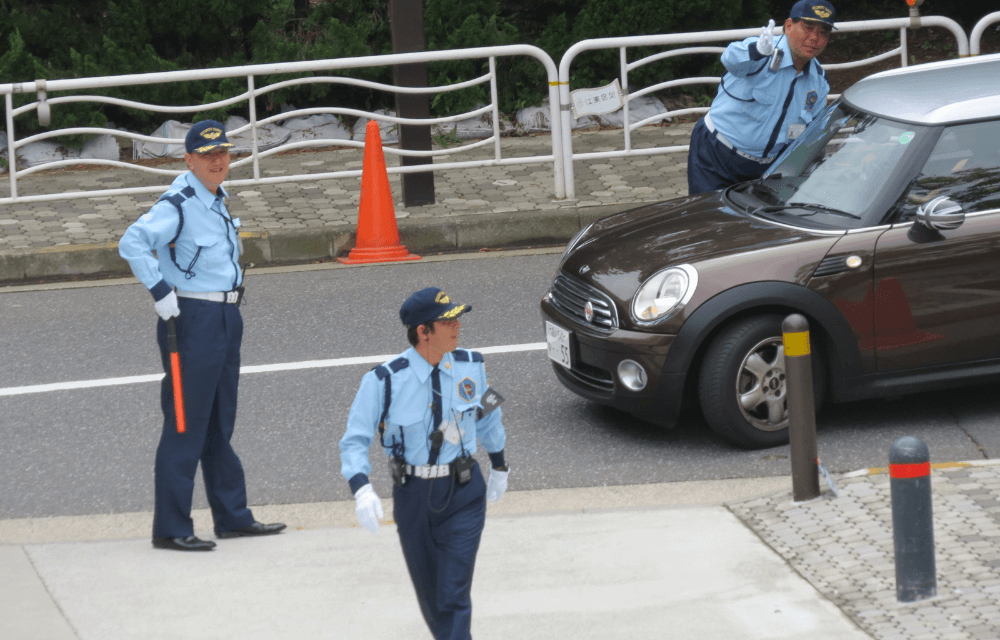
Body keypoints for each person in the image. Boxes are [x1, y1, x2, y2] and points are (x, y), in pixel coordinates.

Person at [119, 120, 285, 551]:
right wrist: (160, 292)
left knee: (217, 424)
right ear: (189, 159)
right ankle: (171, 527)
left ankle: (232, 517)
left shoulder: (214, 199)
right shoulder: (178, 202)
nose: (217, 161)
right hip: (192, 317)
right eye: (207, 155)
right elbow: (133, 242)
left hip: (225, 316)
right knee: (184, 424)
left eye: (223, 154)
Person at [339, 287, 509, 640]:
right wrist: (361, 488)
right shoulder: (384, 381)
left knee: (453, 595)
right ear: (423, 331)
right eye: (447, 321)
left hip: (463, 493)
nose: (457, 326)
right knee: (431, 597)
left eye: (457, 318)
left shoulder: (471, 366)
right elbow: (354, 439)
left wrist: (499, 465)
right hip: (413, 495)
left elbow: (487, 416)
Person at [687, 0, 836, 194]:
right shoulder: (761, 50)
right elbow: (731, 59)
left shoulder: (819, 83)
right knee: (707, 218)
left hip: (766, 167)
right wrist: (757, 52)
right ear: (789, 26)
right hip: (717, 154)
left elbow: (806, 133)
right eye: (808, 28)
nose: (814, 38)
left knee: (752, 224)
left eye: (823, 32)